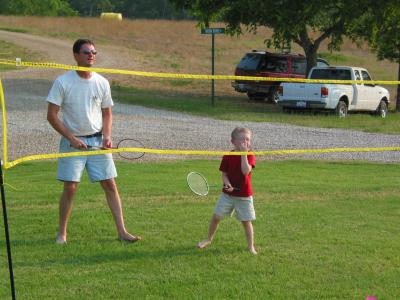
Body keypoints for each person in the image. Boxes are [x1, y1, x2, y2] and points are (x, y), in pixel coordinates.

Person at [46, 38, 141, 244]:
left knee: (110, 185)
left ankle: (122, 232)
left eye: (94, 52)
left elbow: (107, 113)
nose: (92, 55)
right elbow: (52, 115)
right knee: (70, 187)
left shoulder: (102, 82)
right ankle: (62, 233)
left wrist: (107, 135)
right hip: (72, 143)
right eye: (87, 52)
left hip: (97, 141)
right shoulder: (63, 82)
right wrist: (71, 138)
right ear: (76, 56)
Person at [197, 127, 257, 254]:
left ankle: (251, 247)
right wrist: (227, 183)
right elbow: (224, 174)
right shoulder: (228, 156)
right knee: (216, 217)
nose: (245, 142)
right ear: (233, 141)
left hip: (244, 195)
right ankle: (208, 239)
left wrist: (243, 154)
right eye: (242, 139)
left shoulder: (250, 155)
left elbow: (246, 171)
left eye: (248, 139)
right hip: (228, 195)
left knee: (246, 222)